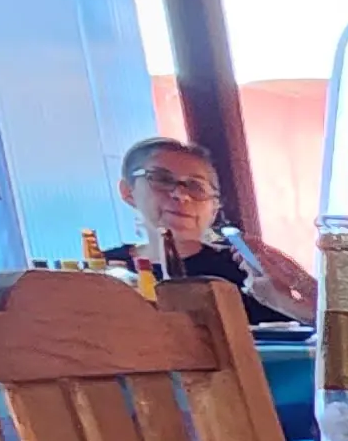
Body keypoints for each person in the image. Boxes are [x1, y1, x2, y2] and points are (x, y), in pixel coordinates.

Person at [104, 137, 315, 328]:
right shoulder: (102, 271)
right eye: (161, 179)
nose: (181, 195)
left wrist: (287, 293)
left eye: (196, 187)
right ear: (128, 191)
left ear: (214, 208)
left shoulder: (245, 271)